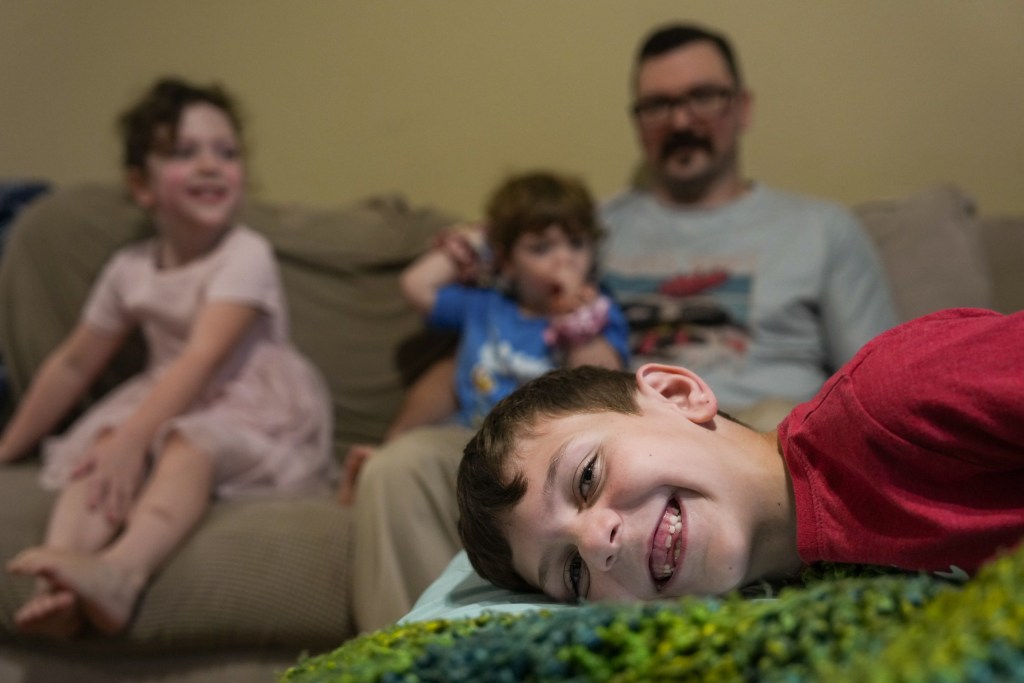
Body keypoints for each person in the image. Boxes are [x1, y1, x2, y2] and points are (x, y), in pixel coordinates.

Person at [352, 20, 897, 629]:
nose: (681, 119)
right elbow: (488, 338)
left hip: (760, 418)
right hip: (592, 445)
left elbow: (873, 375)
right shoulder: (587, 231)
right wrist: (395, 432)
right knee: (397, 469)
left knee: (778, 433)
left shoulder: (820, 229)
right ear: (638, 122)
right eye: (659, 105)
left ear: (742, 108)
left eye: (703, 97)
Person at [0, 78, 334, 638]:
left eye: (225, 153)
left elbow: (203, 357)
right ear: (142, 185)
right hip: (168, 397)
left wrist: (136, 438)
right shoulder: (129, 267)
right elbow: (74, 364)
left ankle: (122, 574)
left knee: (188, 444)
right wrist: (9, 447)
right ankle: (58, 579)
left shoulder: (245, 253)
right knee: (98, 453)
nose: (210, 165)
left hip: (249, 406)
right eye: (184, 152)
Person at [457, 308, 1024, 603]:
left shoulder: (892, 397)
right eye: (573, 575)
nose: (596, 543)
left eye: (586, 477)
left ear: (681, 396)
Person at [346, 171, 630, 628]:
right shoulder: (485, 306)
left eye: (576, 245)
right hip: (470, 439)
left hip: (549, 453)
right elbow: (416, 287)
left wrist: (580, 326)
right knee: (402, 462)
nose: (564, 261)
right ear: (507, 260)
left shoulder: (596, 312)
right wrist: (476, 240)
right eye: (540, 248)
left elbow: (607, 385)